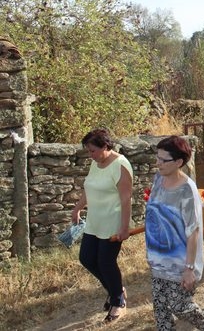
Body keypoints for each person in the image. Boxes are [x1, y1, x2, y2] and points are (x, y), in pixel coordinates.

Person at [145, 136, 204, 331]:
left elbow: (193, 231)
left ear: (178, 162)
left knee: (180, 306)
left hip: (179, 262)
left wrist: (189, 268)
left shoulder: (187, 190)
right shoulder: (158, 179)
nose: (157, 163)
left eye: (163, 160)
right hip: (158, 257)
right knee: (161, 310)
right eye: (157, 157)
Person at [71, 128, 133, 323]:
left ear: (105, 146)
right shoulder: (96, 163)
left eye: (93, 151)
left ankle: (118, 302)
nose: (90, 155)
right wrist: (77, 208)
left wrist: (124, 227)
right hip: (95, 221)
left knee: (106, 262)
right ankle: (117, 289)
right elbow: (89, 188)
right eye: (88, 151)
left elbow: (126, 200)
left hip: (113, 222)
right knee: (87, 258)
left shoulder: (121, 165)